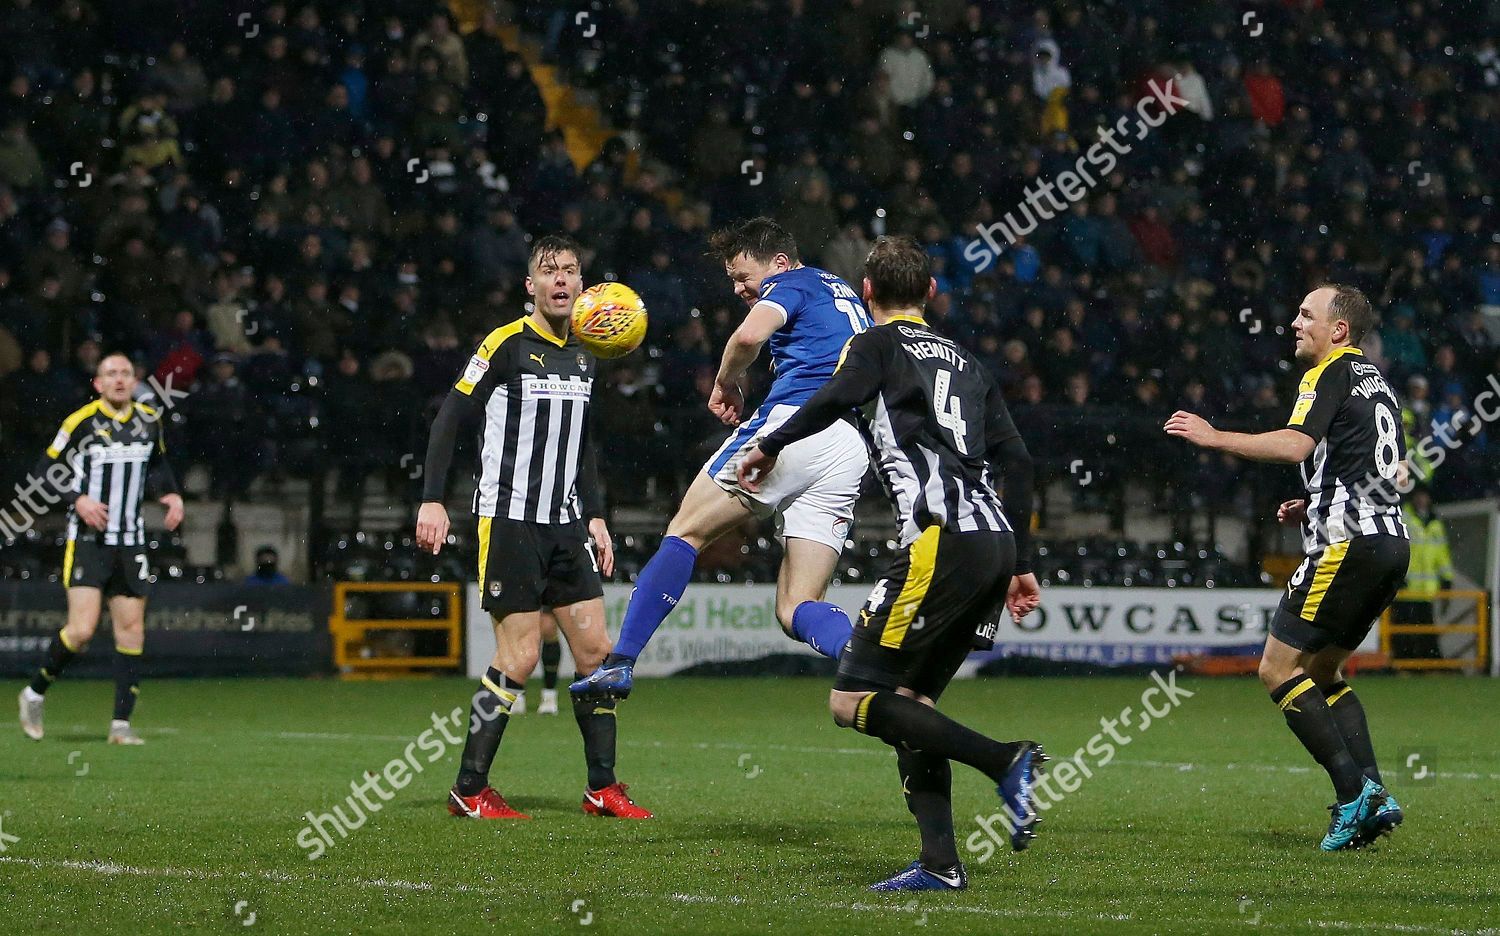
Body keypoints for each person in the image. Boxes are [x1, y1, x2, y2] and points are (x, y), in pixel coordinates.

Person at [737, 236, 1045, 891]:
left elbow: (832, 397)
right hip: (990, 542)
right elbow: (1017, 461)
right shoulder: (966, 362)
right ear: (930, 294)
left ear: (868, 292)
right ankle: (941, 865)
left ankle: (1005, 760)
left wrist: (770, 442)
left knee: (853, 700)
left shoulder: (874, 345)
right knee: (912, 704)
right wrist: (1020, 558)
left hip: (941, 541)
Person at [572, 217, 872, 700]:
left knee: (684, 532)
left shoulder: (791, 282)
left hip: (793, 427)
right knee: (797, 606)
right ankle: (868, 655)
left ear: (777, 262)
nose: (737, 288)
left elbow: (749, 337)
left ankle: (621, 661)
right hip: (848, 444)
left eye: (742, 275)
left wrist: (725, 381)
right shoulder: (841, 291)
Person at [1165, 283, 1409, 850]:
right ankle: (1374, 793)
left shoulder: (1327, 372)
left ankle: (1355, 795)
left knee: (1276, 669)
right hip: (1389, 542)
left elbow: (1297, 445)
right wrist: (1318, 498)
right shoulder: (1381, 384)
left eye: (1306, 315)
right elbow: (1380, 464)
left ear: (1338, 330)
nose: (1295, 323)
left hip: (1347, 544)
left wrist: (1214, 436)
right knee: (1322, 672)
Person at [415, 235, 650, 820]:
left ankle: (603, 787)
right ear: (532, 286)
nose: (561, 281)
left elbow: (584, 444)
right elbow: (449, 419)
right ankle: (468, 789)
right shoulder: (505, 346)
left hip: (567, 523)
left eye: (571, 270)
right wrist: (432, 500)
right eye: (550, 273)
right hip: (510, 519)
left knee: (596, 653)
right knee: (518, 658)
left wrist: (595, 513)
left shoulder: (588, 351)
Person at [18, 353, 185, 745]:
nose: (119, 380)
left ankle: (120, 726)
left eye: (126, 373)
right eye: (111, 374)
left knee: (131, 630)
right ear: (98, 384)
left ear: (134, 380)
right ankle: (34, 692)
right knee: (80, 631)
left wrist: (172, 495)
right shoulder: (79, 423)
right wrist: (77, 499)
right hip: (89, 542)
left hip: (131, 541)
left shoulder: (149, 420)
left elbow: (158, 465)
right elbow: (44, 470)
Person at [1394, 487, 1455, 660]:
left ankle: (1424, 663)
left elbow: (1442, 554)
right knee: (1404, 628)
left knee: (1424, 628)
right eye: (1419, 496)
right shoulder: (1404, 517)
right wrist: (1398, 575)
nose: (1422, 500)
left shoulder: (1435, 524)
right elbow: (1398, 549)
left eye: (1425, 496)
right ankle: (1405, 662)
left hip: (1426, 589)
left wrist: (1446, 579)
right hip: (1406, 587)